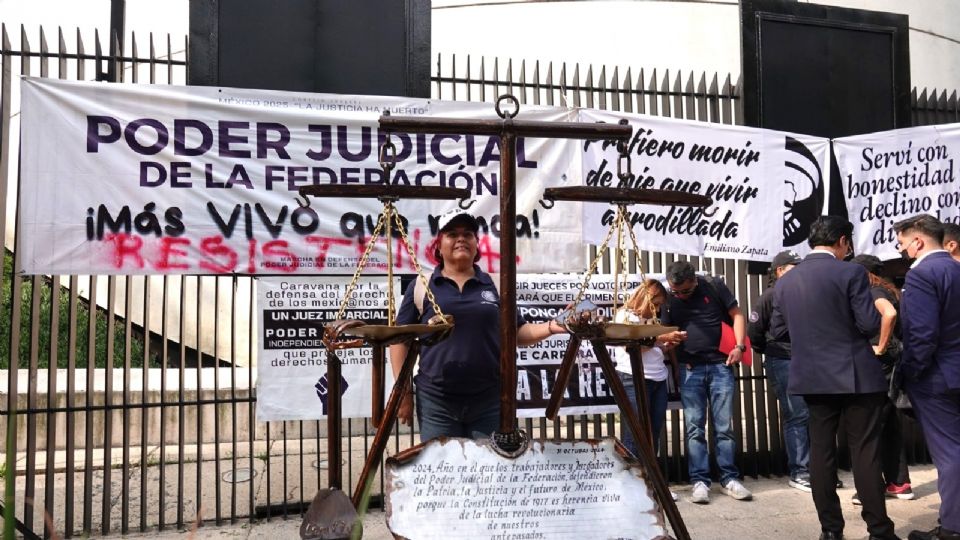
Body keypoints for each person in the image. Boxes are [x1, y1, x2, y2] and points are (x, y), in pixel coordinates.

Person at [770, 216, 897, 540]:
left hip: (811, 376)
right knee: (865, 453)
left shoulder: (785, 281)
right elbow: (870, 324)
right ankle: (879, 532)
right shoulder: (851, 272)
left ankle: (830, 531)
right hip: (856, 374)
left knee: (821, 456)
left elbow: (778, 330)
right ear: (842, 240)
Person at [389, 210, 564, 441]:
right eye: (452, 234)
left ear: (476, 244)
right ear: (439, 246)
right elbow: (400, 340)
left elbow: (516, 333)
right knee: (442, 472)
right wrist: (403, 393)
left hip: (489, 400)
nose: (461, 239)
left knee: (487, 472)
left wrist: (552, 326)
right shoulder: (421, 286)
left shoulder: (496, 285)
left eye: (468, 234)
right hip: (436, 401)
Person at [660, 260, 752, 504]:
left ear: (695, 281)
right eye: (675, 291)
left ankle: (729, 478)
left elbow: (738, 315)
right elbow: (664, 331)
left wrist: (739, 347)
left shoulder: (714, 285)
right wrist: (672, 350)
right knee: (694, 427)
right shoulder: (667, 297)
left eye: (685, 291)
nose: (680, 295)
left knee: (724, 427)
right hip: (690, 367)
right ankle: (699, 481)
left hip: (721, 364)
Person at [893, 215, 960, 540]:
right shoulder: (955, 269)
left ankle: (952, 528)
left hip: (936, 378)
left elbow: (922, 335)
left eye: (903, 243)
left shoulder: (921, 274)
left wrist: (910, 373)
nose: (902, 250)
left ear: (918, 241)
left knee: (949, 453)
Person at [849, 254, 914, 505]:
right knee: (889, 425)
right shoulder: (890, 290)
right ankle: (899, 483)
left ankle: (870, 487)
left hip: (880, 364)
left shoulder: (874, 292)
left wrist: (880, 346)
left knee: (870, 425)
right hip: (892, 365)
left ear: (864, 274)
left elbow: (888, 315)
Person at [748, 249, 812, 492]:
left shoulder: (806, 294)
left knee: (813, 415)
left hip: (807, 359)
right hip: (783, 360)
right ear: (779, 270)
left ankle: (816, 470)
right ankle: (800, 472)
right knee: (797, 415)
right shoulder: (769, 296)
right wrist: (772, 350)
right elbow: (755, 333)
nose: (800, 272)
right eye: (794, 267)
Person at [613, 278, 685, 456]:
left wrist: (666, 345)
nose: (658, 309)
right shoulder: (625, 316)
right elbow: (631, 346)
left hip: (658, 378)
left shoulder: (651, 319)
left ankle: (650, 477)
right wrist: (661, 338)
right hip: (633, 378)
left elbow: (650, 346)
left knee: (653, 431)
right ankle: (631, 478)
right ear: (647, 299)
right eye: (657, 304)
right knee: (635, 432)